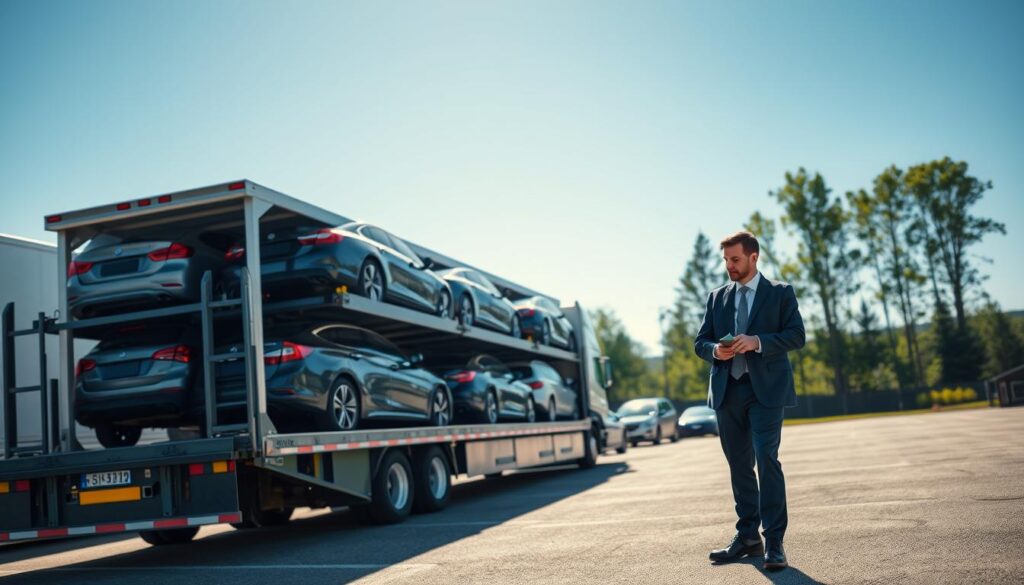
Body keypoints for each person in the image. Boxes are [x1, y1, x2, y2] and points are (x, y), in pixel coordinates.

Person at [694, 230, 806, 570]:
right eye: (726, 260)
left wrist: (757, 341)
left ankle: (774, 542)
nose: (729, 265)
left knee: (765, 458)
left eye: (735, 259)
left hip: (766, 391)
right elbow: (701, 342)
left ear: (753, 257)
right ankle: (748, 538)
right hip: (728, 391)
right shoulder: (717, 298)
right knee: (739, 465)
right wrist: (717, 349)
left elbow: (796, 336)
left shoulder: (780, 293)